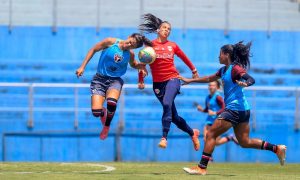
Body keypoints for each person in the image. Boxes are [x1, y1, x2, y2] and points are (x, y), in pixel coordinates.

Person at [180, 41, 287, 175]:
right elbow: (209, 78)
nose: (218, 57)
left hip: (234, 109)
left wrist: (245, 83)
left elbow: (251, 79)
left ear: (227, 54)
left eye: (220, 54)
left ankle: (202, 168)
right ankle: (276, 149)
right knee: (244, 142)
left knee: (211, 134)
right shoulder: (223, 70)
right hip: (243, 110)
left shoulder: (235, 68)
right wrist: (190, 81)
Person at [138, 13, 200, 150]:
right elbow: (142, 63)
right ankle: (192, 133)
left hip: (173, 79)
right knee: (174, 117)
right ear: (158, 30)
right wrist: (141, 80)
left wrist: (194, 70)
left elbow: (184, 58)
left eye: (169, 29)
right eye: (164, 27)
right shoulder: (150, 45)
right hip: (158, 84)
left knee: (167, 103)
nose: (167, 30)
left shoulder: (172, 45)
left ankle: (164, 138)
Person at [76, 33, 152, 140]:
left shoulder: (130, 54)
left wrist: (142, 66)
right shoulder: (110, 42)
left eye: (132, 46)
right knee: (96, 112)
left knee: (112, 102)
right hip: (99, 80)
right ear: (129, 36)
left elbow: (134, 64)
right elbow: (93, 49)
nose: (128, 45)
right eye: (130, 41)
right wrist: (82, 67)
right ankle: (103, 112)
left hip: (115, 80)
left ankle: (106, 126)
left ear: (134, 48)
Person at [195, 81, 239, 147]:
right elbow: (208, 110)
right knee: (206, 140)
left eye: (213, 85)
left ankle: (230, 137)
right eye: (209, 85)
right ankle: (209, 157)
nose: (210, 87)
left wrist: (215, 113)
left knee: (215, 142)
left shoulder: (218, 97)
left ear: (217, 87)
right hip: (209, 121)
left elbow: (224, 108)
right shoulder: (207, 97)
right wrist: (201, 109)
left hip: (217, 122)